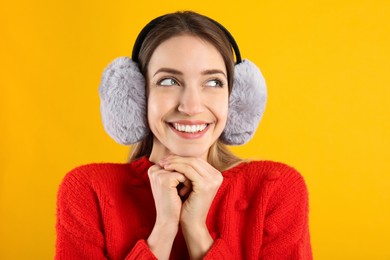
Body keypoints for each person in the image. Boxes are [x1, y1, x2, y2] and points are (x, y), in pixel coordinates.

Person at [55, 11, 312, 259]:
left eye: (213, 82)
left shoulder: (276, 189)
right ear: (137, 96)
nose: (191, 107)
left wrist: (197, 230)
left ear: (235, 99)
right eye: (168, 81)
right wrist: (164, 229)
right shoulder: (87, 190)